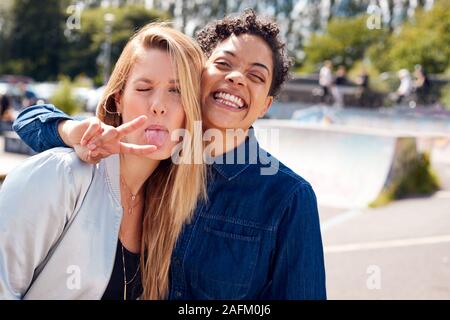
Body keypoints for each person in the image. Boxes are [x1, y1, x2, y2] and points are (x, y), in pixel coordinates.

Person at [12, 9, 326, 299]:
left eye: (256, 76)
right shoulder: (158, 164)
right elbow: (30, 122)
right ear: (198, 78)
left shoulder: (288, 197)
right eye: (223, 64)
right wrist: (68, 129)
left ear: (266, 105)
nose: (237, 78)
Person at [0, 23, 206, 300]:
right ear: (118, 101)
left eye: (177, 91)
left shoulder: (172, 208)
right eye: (144, 88)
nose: (158, 104)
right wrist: (70, 129)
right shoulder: (62, 176)